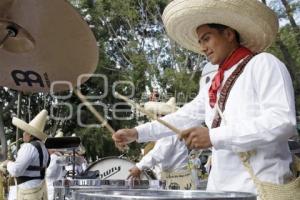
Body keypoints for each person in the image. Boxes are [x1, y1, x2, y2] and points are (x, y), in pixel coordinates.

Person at [113, 0, 298, 196]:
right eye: (200, 41)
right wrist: (137, 133)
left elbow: (282, 122)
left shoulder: (264, 64)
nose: (203, 47)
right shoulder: (214, 83)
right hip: (219, 189)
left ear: (229, 34)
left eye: (206, 38)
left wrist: (213, 136)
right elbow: (182, 117)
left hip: (262, 189)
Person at [3, 110, 50, 200]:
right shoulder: (43, 147)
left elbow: (16, 171)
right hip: (40, 190)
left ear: (31, 135)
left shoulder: (28, 147)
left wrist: (8, 163)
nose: (23, 134)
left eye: (25, 131)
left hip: (28, 192)